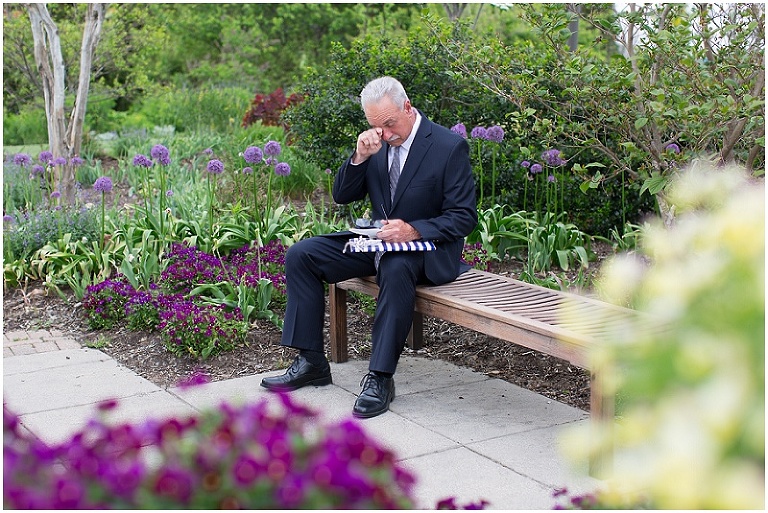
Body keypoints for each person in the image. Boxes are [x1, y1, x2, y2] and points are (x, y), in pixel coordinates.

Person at [261, 76, 478, 418]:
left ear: (408, 107)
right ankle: (311, 361)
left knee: (395, 265)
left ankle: (380, 378)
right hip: (377, 242)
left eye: (390, 124)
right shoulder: (376, 144)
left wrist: (414, 230)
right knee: (302, 255)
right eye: (376, 126)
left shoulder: (448, 147)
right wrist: (360, 157)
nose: (385, 134)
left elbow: (463, 218)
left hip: (428, 251)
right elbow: (342, 196)